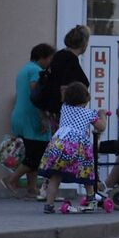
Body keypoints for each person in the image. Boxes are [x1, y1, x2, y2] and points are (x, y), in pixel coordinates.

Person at [38, 82, 108, 214]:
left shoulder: (64, 108)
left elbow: (65, 91)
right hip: (77, 146)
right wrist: (102, 115)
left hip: (58, 144)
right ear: (86, 99)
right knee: (86, 171)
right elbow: (101, 127)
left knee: (56, 175)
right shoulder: (89, 113)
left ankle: (49, 205)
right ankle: (90, 197)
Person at [4, 43, 54, 198]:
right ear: (43, 58)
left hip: (20, 116)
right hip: (31, 118)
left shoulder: (24, 69)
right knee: (38, 154)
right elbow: (36, 92)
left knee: (31, 153)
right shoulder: (36, 70)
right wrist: (43, 117)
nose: (50, 63)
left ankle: (32, 188)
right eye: (50, 59)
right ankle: (12, 180)